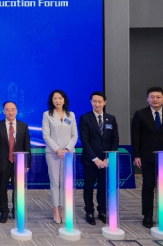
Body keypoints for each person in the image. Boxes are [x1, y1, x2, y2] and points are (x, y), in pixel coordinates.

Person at [131, 87, 163, 230]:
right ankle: (147, 216)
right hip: (148, 157)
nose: (155, 99)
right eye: (152, 97)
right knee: (148, 186)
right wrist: (136, 155)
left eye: (158, 97)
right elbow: (135, 136)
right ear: (147, 99)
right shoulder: (140, 114)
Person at [79, 91, 119, 225]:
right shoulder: (85, 118)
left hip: (106, 161)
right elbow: (85, 141)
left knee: (103, 187)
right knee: (89, 187)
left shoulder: (111, 119)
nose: (97, 104)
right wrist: (95, 159)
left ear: (104, 102)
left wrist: (109, 157)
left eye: (100, 101)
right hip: (91, 161)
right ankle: (89, 212)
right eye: (94, 101)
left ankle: (102, 211)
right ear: (91, 102)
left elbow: (115, 140)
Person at [0, 101, 31, 223]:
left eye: (13, 109)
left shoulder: (23, 126)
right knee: (2, 188)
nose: (10, 112)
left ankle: (16, 211)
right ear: (3, 111)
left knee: (18, 189)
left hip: (19, 163)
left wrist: (27, 163)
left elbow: (27, 146)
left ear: (16, 111)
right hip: (3, 162)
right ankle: (4, 212)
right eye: (7, 109)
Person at [42, 89, 78, 224]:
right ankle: (56, 209)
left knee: (65, 183)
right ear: (51, 100)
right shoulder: (47, 115)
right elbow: (46, 135)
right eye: (55, 98)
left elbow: (75, 135)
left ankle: (64, 209)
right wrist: (57, 149)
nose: (58, 101)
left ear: (64, 100)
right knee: (55, 182)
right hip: (53, 153)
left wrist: (67, 149)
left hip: (68, 154)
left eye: (60, 98)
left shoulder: (71, 115)